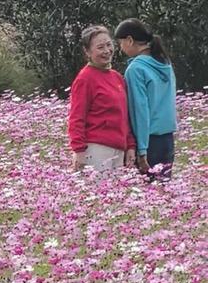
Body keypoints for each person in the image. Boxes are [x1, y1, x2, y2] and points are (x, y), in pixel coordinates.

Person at [68, 25, 136, 172]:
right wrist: (79, 151)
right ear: (87, 52)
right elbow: (76, 118)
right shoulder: (85, 79)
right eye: (100, 47)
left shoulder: (117, 77)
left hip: (119, 148)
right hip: (96, 149)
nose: (106, 51)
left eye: (108, 45)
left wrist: (130, 145)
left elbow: (124, 116)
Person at [115, 18, 177, 179]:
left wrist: (141, 151)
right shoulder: (164, 62)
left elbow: (140, 111)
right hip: (167, 138)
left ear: (129, 40)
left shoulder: (136, 69)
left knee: (148, 195)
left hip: (149, 141)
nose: (121, 49)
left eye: (121, 43)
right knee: (164, 191)